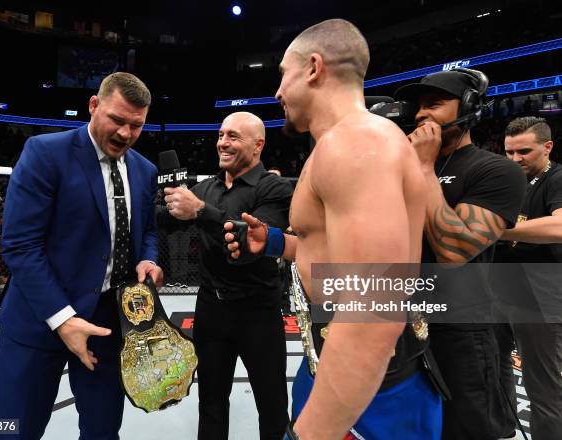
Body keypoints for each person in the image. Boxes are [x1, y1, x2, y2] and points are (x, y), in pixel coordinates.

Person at [225, 19, 441, 440]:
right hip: (338, 367)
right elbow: (330, 251)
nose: (278, 91)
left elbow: (374, 311)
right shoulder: (346, 143)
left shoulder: (355, 144)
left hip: (371, 390)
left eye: (283, 74)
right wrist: (274, 242)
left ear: (313, 68)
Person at [0, 72, 163, 440]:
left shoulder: (144, 170)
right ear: (94, 106)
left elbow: (147, 230)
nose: (125, 134)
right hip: (39, 318)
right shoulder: (45, 153)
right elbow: (21, 245)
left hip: (106, 323)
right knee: (12, 431)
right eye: (117, 120)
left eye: (136, 125)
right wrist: (63, 319)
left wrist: (148, 259)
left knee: (102, 431)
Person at [394, 69, 526, 440]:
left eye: (434, 104)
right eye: (418, 107)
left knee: (468, 431)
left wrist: (422, 167)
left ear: (468, 107)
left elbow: (454, 250)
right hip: (402, 325)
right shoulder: (399, 170)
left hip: (463, 331)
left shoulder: (496, 170)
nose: (421, 115)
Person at [162, 111, 293, 440]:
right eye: (221, 134)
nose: (223, 142)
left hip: (258, 314)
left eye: (233, 136)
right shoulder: (205, 188)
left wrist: (202, 212)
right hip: (211, 311)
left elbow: (250, 244)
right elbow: (164, 220)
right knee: (211, 403)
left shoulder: (273, 188)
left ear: (258, 145)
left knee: (273, 406)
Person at [490, 116, 562, 440]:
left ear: (547, 147)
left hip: (541, 296)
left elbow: (560, 227)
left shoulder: (557, 178)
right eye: (509, 152)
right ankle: (504, 428)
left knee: (542, 389)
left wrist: (499, 231)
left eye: (524, 152)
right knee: (493, 366)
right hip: (501, 288)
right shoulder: (509, 181)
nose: (516, 159)